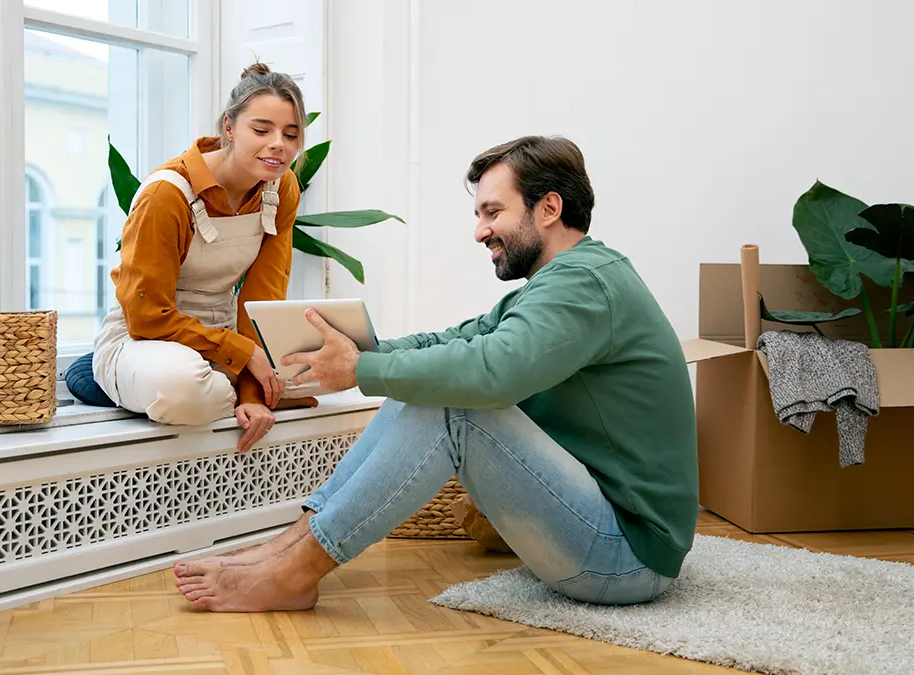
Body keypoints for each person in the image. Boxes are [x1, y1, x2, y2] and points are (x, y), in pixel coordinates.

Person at [172, 135, 699, 610]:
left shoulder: (584, 286)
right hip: (603, 534)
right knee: (427, 379)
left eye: (493, 212)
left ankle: (296, 569)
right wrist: (359, 350)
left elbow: (490, 374)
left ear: (549, 209)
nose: (480, 231)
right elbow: (455, 342)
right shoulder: (562, 282)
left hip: (626, 559)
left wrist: (362, 368)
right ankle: (288, 548)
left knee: (454, 400)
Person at [91, 63, 315, 454]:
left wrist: (251, 392)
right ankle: (100, 373)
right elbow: (146, 316)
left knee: (328, 371)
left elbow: (262, 296)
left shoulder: (282, 189)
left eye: (291, 134)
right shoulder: (167, 195)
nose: (278, 144)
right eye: (261, 130)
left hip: (221, 339)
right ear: (228, 127)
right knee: (182, 390)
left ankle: (222, 386)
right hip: (146, 336)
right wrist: (246, 358)